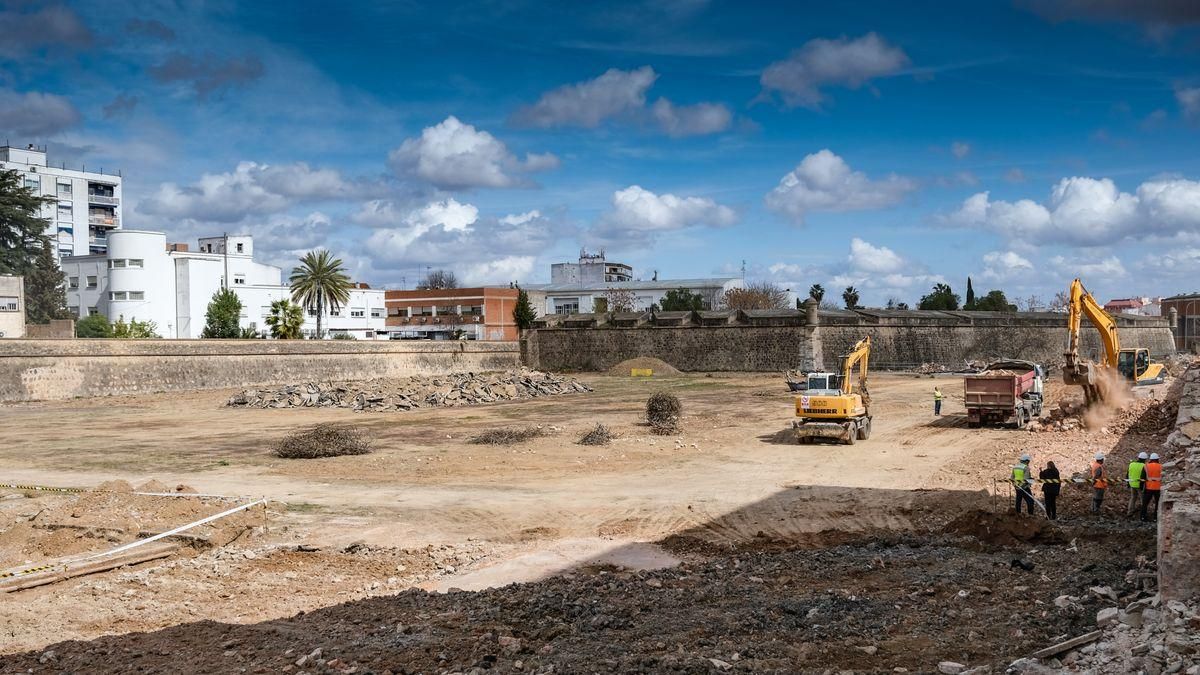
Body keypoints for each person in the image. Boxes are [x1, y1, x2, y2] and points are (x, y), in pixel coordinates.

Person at [1141, 453, 1163, 522]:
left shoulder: (1146, 466)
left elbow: (1142, 477)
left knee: (1145, 503)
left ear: (1150, 459)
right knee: (1158, 503)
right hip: (1158, 488)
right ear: (1157, 459)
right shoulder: (1161, 466)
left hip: (1149, 487)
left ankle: (1143, 517)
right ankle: (1155, 518)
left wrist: (1141, 487)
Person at [1127, 452, 1148, 517]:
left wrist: (1128, 483)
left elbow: (1127, 474)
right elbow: (1144, 476)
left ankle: (1130, 512)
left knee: (1133, 498)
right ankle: (1143, 514)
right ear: (1144, 459)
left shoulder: (1131, 464)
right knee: (1142, 499)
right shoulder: (1144, 466)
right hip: (1140, 485)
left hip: (1132, 484)